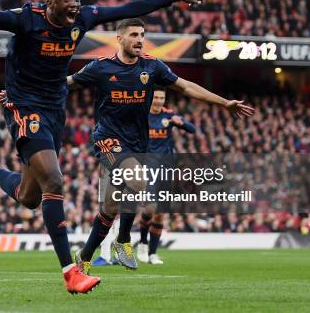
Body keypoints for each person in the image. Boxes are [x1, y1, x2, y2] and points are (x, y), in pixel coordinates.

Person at [0, 0, 215, 293]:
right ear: (51, 3)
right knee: (54, 180)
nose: (77, 6)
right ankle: (71, 273)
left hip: (55, 109)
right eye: (69, 0)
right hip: (24, 106)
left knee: (29, 196)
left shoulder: (82, 19)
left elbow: (130, 8)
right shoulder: (27, 18)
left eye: (79, 0)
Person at [65, 19, 253, 273]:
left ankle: (84, 258)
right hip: (107, 138)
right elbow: (66, 83)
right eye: (133, 34)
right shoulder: (100, 68)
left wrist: (223, 103)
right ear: (119, 39)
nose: (139, 39)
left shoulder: (152, 66)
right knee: (138, 180)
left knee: (111, 206)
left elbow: (185, 86)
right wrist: (24, 94)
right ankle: (123, 241)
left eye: (142, 34)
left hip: (137, 143)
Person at [137, 86, 196, 264]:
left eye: (162, 98)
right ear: (150, 98)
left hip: (166, 167)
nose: (159, 101)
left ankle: (153, 254)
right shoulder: (142, 114)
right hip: (148, 166)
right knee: (150, 207)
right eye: (156, 98)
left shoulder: (169, 115)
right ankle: (142, 243)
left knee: (161, 213)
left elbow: (192, 129)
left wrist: (181, 124)